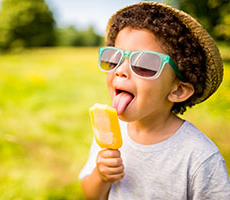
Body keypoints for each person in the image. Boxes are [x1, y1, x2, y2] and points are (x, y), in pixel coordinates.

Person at [79, 2, 230, 199]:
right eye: (114, 58)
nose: (121, 70)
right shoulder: (108, 134)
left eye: (144, 63)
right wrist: (100, 175)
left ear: (178, 90)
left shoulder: (199, 156)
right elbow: (91, 195)